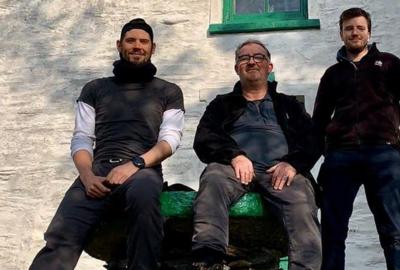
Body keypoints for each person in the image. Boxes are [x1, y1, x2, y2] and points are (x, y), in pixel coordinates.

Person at [30, 18, 184, 270]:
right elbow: (81, 137)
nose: (137, 46)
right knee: (61, 235)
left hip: (142, 170)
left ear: (152, 48)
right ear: (119, 45)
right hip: (98, 171)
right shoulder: (95, 89)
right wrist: (88, 176)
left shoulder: (168, 91)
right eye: (131, 40)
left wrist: (135, 164)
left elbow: (170, 140)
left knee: (145, 206)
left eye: (143, 41)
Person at [311, 7, 400, 270]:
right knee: (332, 233)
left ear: (369, 32)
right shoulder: (332, 75)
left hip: (382, 155)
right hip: (340, 157)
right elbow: (318, 121)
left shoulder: (389, 64)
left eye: (360, 28)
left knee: (393, 232)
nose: (355, 32)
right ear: (341, 33)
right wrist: (322, 156)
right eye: (349, 28)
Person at [191, 39, 322, 270]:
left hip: (279, 173)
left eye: (258, 57)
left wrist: (291, 163)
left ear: (269, 67)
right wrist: (234, 155)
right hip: (234, 170)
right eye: (244, 58)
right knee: (213, 178)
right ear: (236, 68)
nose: (252, 61)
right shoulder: (222, 104)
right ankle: (208, 260)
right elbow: (204, 138)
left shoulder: (288, 104)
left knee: (302, 199)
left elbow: (312, 139)